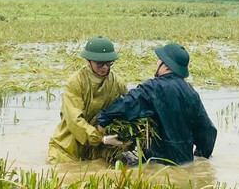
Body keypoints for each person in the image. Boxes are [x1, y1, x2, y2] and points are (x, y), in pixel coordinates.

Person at [97, 43, 217, 165]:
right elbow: (208, 131)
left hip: (157, 162)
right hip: (185, 161)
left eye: (159, 60)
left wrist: (103, 119)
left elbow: (125, 105)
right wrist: (200, 157)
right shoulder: (191, 92)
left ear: (165, 65)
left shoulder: (152, 87)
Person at [47, 36, 128, 164]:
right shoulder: (76, 82)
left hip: (98, 149)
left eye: (109, 63)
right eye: (100, 64)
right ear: (88, 61)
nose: (105, 68)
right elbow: (74, 120)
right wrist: (100, 138)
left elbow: (128, 107)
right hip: (67, 148)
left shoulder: (118, 83)